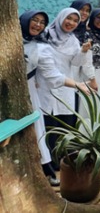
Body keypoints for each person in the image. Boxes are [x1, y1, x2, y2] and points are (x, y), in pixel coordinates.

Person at [37, 8, 95, 158]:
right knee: (48, 125)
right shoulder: (45, 35)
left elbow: (75, 63)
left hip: (66, 87)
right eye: (69, 18)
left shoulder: (73, 40)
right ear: (61, 17)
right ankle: (49, 162)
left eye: (76, 21)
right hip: (45, 86)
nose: (71, 23)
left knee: (65, 125)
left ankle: (62, 159)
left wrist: (83, 51)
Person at [20, 10, 58, 186]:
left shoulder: (41, 47)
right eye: (34, 20)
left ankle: (45, 169)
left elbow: (50, 74)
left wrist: (76, 84)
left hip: (29, 91)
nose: (38, 25)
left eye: (42, 22)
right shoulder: (9, 39)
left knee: (36, 129)